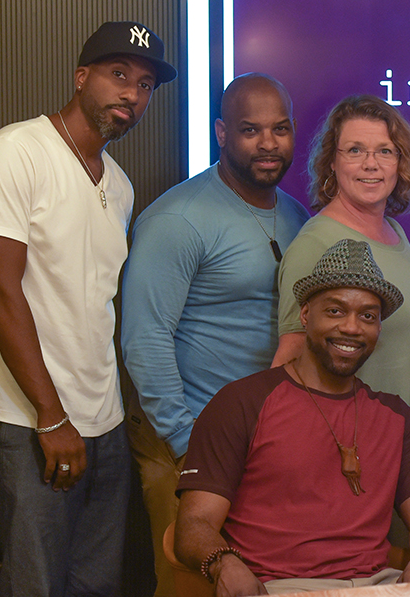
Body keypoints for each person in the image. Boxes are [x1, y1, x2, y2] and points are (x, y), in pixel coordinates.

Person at [0, 21, 176, 596]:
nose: (133, 93)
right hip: (32, 420)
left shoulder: (121, 186)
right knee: (37, 583)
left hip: (101, 419)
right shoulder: (16, 152)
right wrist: (50, 417)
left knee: (95, 584)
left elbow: (74, 297)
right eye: (119, 74)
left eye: (147, 84)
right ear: (82, 77)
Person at [120, 73, 309, 596]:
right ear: (222, 133)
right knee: (191, 584)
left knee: (261, 580)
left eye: (280, 129)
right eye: (251, 130)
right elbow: (145, 337)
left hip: (264, 439)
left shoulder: (297, 216)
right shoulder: (177, 219)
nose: (268, 144)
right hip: (186, 435)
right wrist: (186, 444)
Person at [175, 239, 410, 595]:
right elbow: (194, 523)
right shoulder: (242, 402)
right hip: (278, 587)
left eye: (367, 315)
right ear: (305, 315)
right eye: (335, 311)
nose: (352, 328)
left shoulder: (395, 416)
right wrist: (225, 563)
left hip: (377, 585)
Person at [272, 94, 410, 491]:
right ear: (332, 162)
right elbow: (291, 359)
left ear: (400, 163)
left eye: (384, 151)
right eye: (355, 150)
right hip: (360, 460)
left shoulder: (395, 234)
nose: (371, 164)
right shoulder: (317, 244)